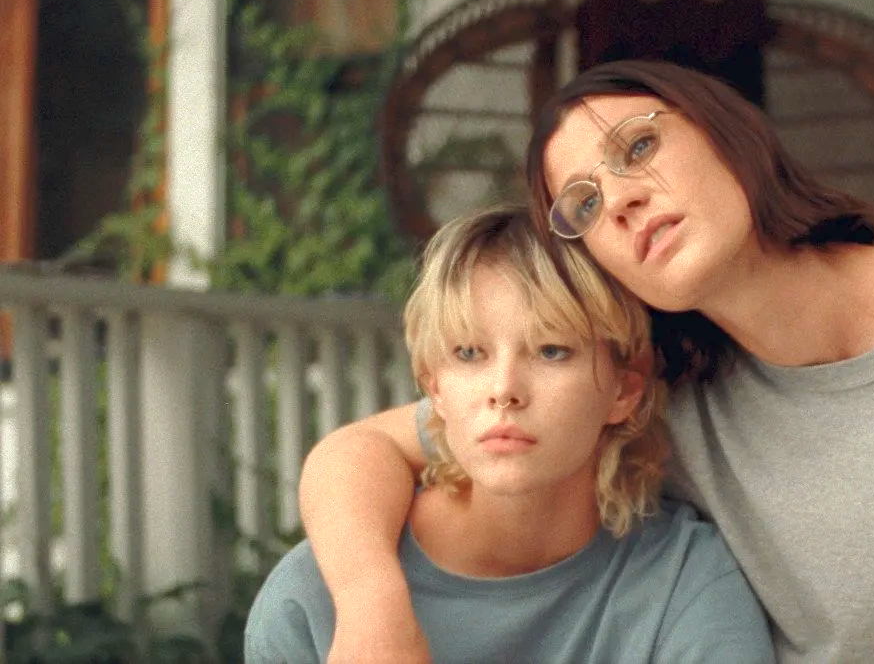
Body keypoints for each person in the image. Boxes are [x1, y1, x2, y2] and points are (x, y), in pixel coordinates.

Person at [299, 61, 874, 663]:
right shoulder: (658, 393)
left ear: (728, 130)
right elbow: (359, 451)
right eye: (584, 205)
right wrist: (375, 610)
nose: (621, 198)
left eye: (637, 148)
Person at [245, 205, 775, 664]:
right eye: (469, 353)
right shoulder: (314, 600)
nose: (504, 390)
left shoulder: (685, 583)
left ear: (623, 391)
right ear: (435, 387)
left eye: (552, 351)